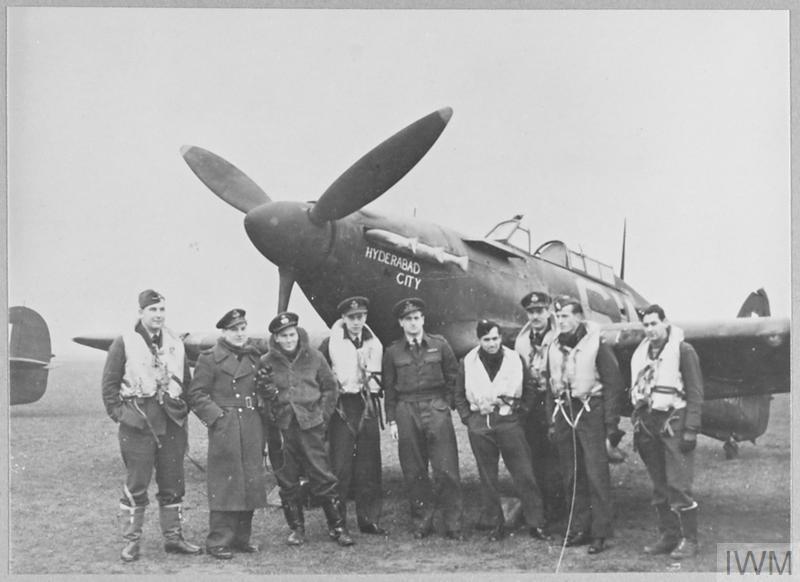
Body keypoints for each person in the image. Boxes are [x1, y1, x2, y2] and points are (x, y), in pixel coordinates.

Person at [101, 289, 202, 562]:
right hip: (138, 423)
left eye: (161, 310)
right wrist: (122, 416)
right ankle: (131, 542)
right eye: (152, 310)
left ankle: (173, 538)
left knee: (173, 481)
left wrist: (183, 411)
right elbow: (109, 388)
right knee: (137, 483)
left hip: (172, 422)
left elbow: (187, 384)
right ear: (141, 313)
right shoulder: (124, 342)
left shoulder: (176, 343)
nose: (158, 315)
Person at [257, 311, 354, 547]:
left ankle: (338, 527)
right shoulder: (266, 361)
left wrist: (321, 416)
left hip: (310, 426)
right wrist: (266, 396)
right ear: (276, 339)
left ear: (297, 334)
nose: (289, 339)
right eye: (283, 336)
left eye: (291, 334)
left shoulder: (315, 357)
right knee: (286, 478)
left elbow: (330, 388)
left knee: (322, 475)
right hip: (281, 429)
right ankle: (297, 529)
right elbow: (261, 394)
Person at [454, 319, 551, 542]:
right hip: (480, 423)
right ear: (479, 340)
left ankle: (536, 523)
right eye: (486, 339)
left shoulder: (514, 358)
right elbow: (458, 394)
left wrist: (520, 414)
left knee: (524, 473)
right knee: (488, 478)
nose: (492, 344)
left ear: (501, 338)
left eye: (495, 338)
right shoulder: (467, 361)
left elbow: (529, 389)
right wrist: (469, 419)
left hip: (509, 422)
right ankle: (495, 524)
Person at [187, 309, 268, 559]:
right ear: (224, 332)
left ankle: (242, 539)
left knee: (251, 480)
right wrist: (218, 418)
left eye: (243, 328)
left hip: (253, 423)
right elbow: (196, 394)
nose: (240, 333)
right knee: (225, 481)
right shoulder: (209, 358)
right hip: (227, 425)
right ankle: (219, 541)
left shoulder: (255, 357)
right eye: (234, 329)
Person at [545, 296, 623, 555]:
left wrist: (611, 426)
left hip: (591, 412)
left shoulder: (597, 345)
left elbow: (613, 386)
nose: (562, 321)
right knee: (572, 474)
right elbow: (549, 385)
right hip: (565, 412)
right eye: (558, 316)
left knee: (596, 474)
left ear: (579, 317)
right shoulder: (554, 346)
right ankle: (578, 528)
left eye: (566, 316)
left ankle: (600, 533)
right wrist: (551, 420)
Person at [382, 297, 464, 540]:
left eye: (417, 318)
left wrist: (446, 403)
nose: (413, 323)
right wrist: (393, 420)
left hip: (435, 406)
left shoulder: (440, 345)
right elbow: (389, 388)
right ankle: (422, 521)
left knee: (446, 468)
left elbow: (453, 375)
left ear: (423, 320)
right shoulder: (393, 351)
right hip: (406, 409)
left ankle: (453, 523)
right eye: (408, 319)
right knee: (414, 470)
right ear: (401, 323)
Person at [630, 304, 703, 559]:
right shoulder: (643, 354)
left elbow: (695, 391)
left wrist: (691, 429)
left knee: (678, 484)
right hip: (648, 421)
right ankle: (668, 536)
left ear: (665, 322)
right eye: (646, 325)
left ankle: (690, 540)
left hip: (675, 419)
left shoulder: (683, 350)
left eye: (654, 323)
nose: (650, 329)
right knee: (659, 485)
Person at [318, 296, 386, 535]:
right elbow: (319, 377)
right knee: (341, 466)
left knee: (369, 464)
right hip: (341, 407)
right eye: (352, 318)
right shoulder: (329, 344)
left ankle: (369, 520)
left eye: (361, 317)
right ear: (344, 319)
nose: (357, 322)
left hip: (367, 404)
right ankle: (338, 524)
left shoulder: (374, 344)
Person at [513, 290, 565, 526]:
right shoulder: (522, 340)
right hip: (532, 401)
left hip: (553, 399)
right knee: (533, 455)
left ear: (548, 311)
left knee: (555, 457)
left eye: (540, 311)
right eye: (531, 312)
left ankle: (557, 509)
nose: (535, 316)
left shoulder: (561, 335)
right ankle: (537, 507)